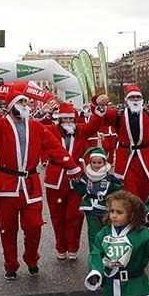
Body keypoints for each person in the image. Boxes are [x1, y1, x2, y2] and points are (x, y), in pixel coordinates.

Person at [0, 81, 81, 280]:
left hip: (31, 186)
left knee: (34, 226)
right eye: (21, 102)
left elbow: (55, 148)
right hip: (7, 185)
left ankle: (32, 259)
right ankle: (11, 265)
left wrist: (73, 167)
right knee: (8, 229)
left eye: (26, 101)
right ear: (11, 106)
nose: (26, 104)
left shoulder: (35, 126)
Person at [44, 102, 102, 260]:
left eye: (71, 118)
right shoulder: (51, 130)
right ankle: (61, 247)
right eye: (65, 119)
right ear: (60, 119)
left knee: (75, 215)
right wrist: (43, 114)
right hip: (56, 177)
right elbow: (35, 128)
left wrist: (100, 109)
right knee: (57, 216)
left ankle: (72, 247)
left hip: (77, 178)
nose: (69, 121)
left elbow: (94, 125)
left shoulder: (81, 130)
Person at [71, 147, 125, 251]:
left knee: (107, 232)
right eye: (94, 162)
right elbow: (81, 191)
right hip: (91, 210)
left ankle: (107, 253)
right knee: (93, 233)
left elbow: (119, 193)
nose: (96, 165)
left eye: (99, 162)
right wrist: (76, 183)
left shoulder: (109, 179)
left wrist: (117, 186)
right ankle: (94, 254)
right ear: (90, 163)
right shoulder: (85, 178)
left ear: (104, 163)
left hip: (106, 210)